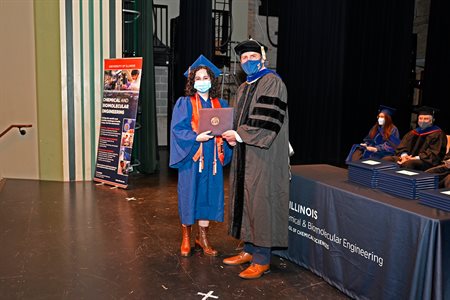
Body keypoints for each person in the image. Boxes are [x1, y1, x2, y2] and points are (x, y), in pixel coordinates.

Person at [221, 38, 290, 279]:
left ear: (262, 58)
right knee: (247, 198)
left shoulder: (272, 82)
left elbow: (267, 119)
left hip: (264, 154)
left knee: (262, 202)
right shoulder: (243, 87)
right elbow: (240, 121)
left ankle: (262, 259)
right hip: (245, 153)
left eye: (252, 56)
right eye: (244, 58)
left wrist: (239, 135)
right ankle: (249, 249)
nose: (248, 61)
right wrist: (233, 136)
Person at [169, 55, 233, 257]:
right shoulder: (184, 103)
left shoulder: (220, 104)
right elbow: (178, 130)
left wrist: (228, 137)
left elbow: (226, 128)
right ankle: (187, 236)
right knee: (189, 195)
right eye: (198, 78)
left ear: (211, 81)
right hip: (192, 157)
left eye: (206, 77)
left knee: (208, 196)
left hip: (213, 158)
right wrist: (196, 137)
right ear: (192, 81)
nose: (202, 81)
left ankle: (202, 237)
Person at [383, 106, 447, 171]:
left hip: (426, 161)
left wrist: (414, 158)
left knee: (409, 164)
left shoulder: (438, 134)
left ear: (432, 120)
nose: (423, 121)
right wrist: (404, 156)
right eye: (420, 118)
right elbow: (402, 147)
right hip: (408, 158)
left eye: (426, 119)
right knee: (387, 159)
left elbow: (434, 153)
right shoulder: (413, 132)